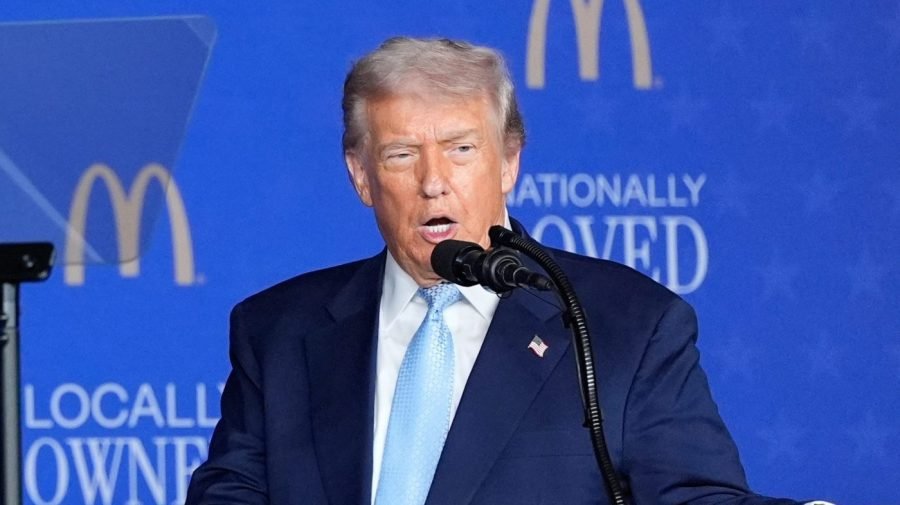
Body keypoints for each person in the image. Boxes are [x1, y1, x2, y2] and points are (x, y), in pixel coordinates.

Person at [186, 37, 818, 504]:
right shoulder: (278, 331)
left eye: (461, 149)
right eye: (402, 154)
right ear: (361, 176)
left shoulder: (625, 325)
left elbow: (695, 498)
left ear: (509, 160)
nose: (434, 182)